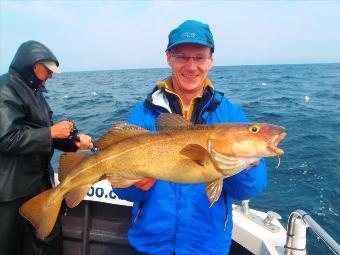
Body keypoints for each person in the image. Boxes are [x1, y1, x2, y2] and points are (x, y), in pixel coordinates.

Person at [112, 20, 267, 255]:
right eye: (182, 56)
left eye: (200, 57)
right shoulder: (144, 113)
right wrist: (136, 186)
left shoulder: (230, 114)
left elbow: (249, 190)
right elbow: (123, 190)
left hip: (207, 246)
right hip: (150, 244)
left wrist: (246, 165)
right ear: (168, 57)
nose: (191, 66)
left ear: (211, 60)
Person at [0, 40, 93, 255]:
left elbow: (42, 132)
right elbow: (6, 138)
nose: (51, 76)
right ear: (33, 66)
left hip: (39, 185)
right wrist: (51, 132)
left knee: (46, 244)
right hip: (10, 193)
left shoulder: (36, 93)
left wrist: (72, 142)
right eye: (48, 71)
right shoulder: (5, 88)